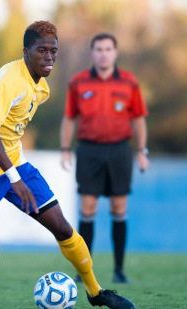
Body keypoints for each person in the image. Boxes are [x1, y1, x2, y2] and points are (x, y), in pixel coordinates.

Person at [0, 21, 135, 309]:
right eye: (41, 50)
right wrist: (14, 178)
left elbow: (10, 130)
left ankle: (96, 293)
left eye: (53, 51)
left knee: (63, 229)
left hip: (14, 164)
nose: (49, 57)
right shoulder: (11, 80)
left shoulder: (40, 87)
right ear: (25, 52)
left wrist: (16, 173)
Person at [60, 33, 149, 284]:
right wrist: (65, 148)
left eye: (108, 49)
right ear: (92, 53)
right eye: (99, 49)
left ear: (115, 53)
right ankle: (83, 269)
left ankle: (119, 270)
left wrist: (142, 150)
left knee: (118, 208)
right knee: (87, 208)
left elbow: (139, 118)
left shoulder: (129, 82)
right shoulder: (79, 82)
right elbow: (69, 118)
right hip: (89, 150)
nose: (103, 53)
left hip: (120, 150)